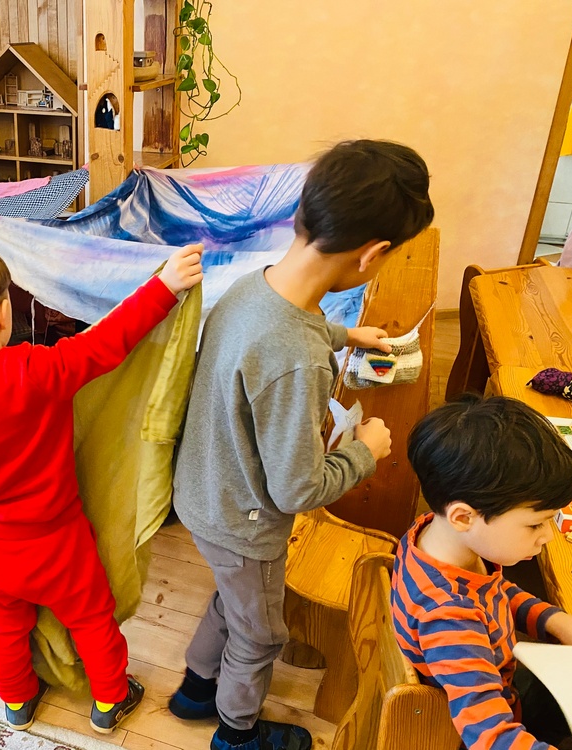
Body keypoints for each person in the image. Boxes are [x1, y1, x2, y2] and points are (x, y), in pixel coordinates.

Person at [170, 139, 435, 750]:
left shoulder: (255, 287)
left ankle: (195, 691)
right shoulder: (297, 361)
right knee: (260, 633)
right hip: (246, 521)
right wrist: (366, 449)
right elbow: (296, 489)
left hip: (205, 493)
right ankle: (236, 734)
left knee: (233, 599)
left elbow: (284, 332)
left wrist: (345, 335)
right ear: (374, 254)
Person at [0, 236, 203, 734]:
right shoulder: (35, 371)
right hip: (57, 542)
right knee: (91, 618)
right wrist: (165, 286)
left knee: (3, 624)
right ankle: (110, 699)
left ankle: (16, 700)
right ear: (4, 314)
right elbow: (106, 343)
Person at [393, 395, 572, 749]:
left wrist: (558, 622)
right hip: (481, 721)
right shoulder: (451, 619)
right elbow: (491, 737)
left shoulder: (436, 537)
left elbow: (495, 593)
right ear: (464, 517)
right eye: (535, 524)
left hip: (498, 679)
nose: (547, 536)